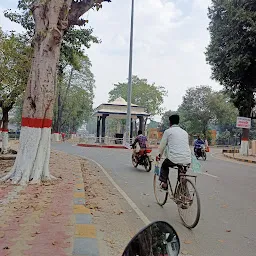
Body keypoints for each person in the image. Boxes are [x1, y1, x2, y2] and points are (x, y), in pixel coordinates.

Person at [157, 114, 191, 190]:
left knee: (164, 166)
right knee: (182, 170)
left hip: (173, 159)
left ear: (170, 122)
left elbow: (162, 146)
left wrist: (159, 156)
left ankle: (164, 183)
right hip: (187, 159)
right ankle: (182, 187)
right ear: (178, 122)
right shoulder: (185, 132)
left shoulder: (168, 131)